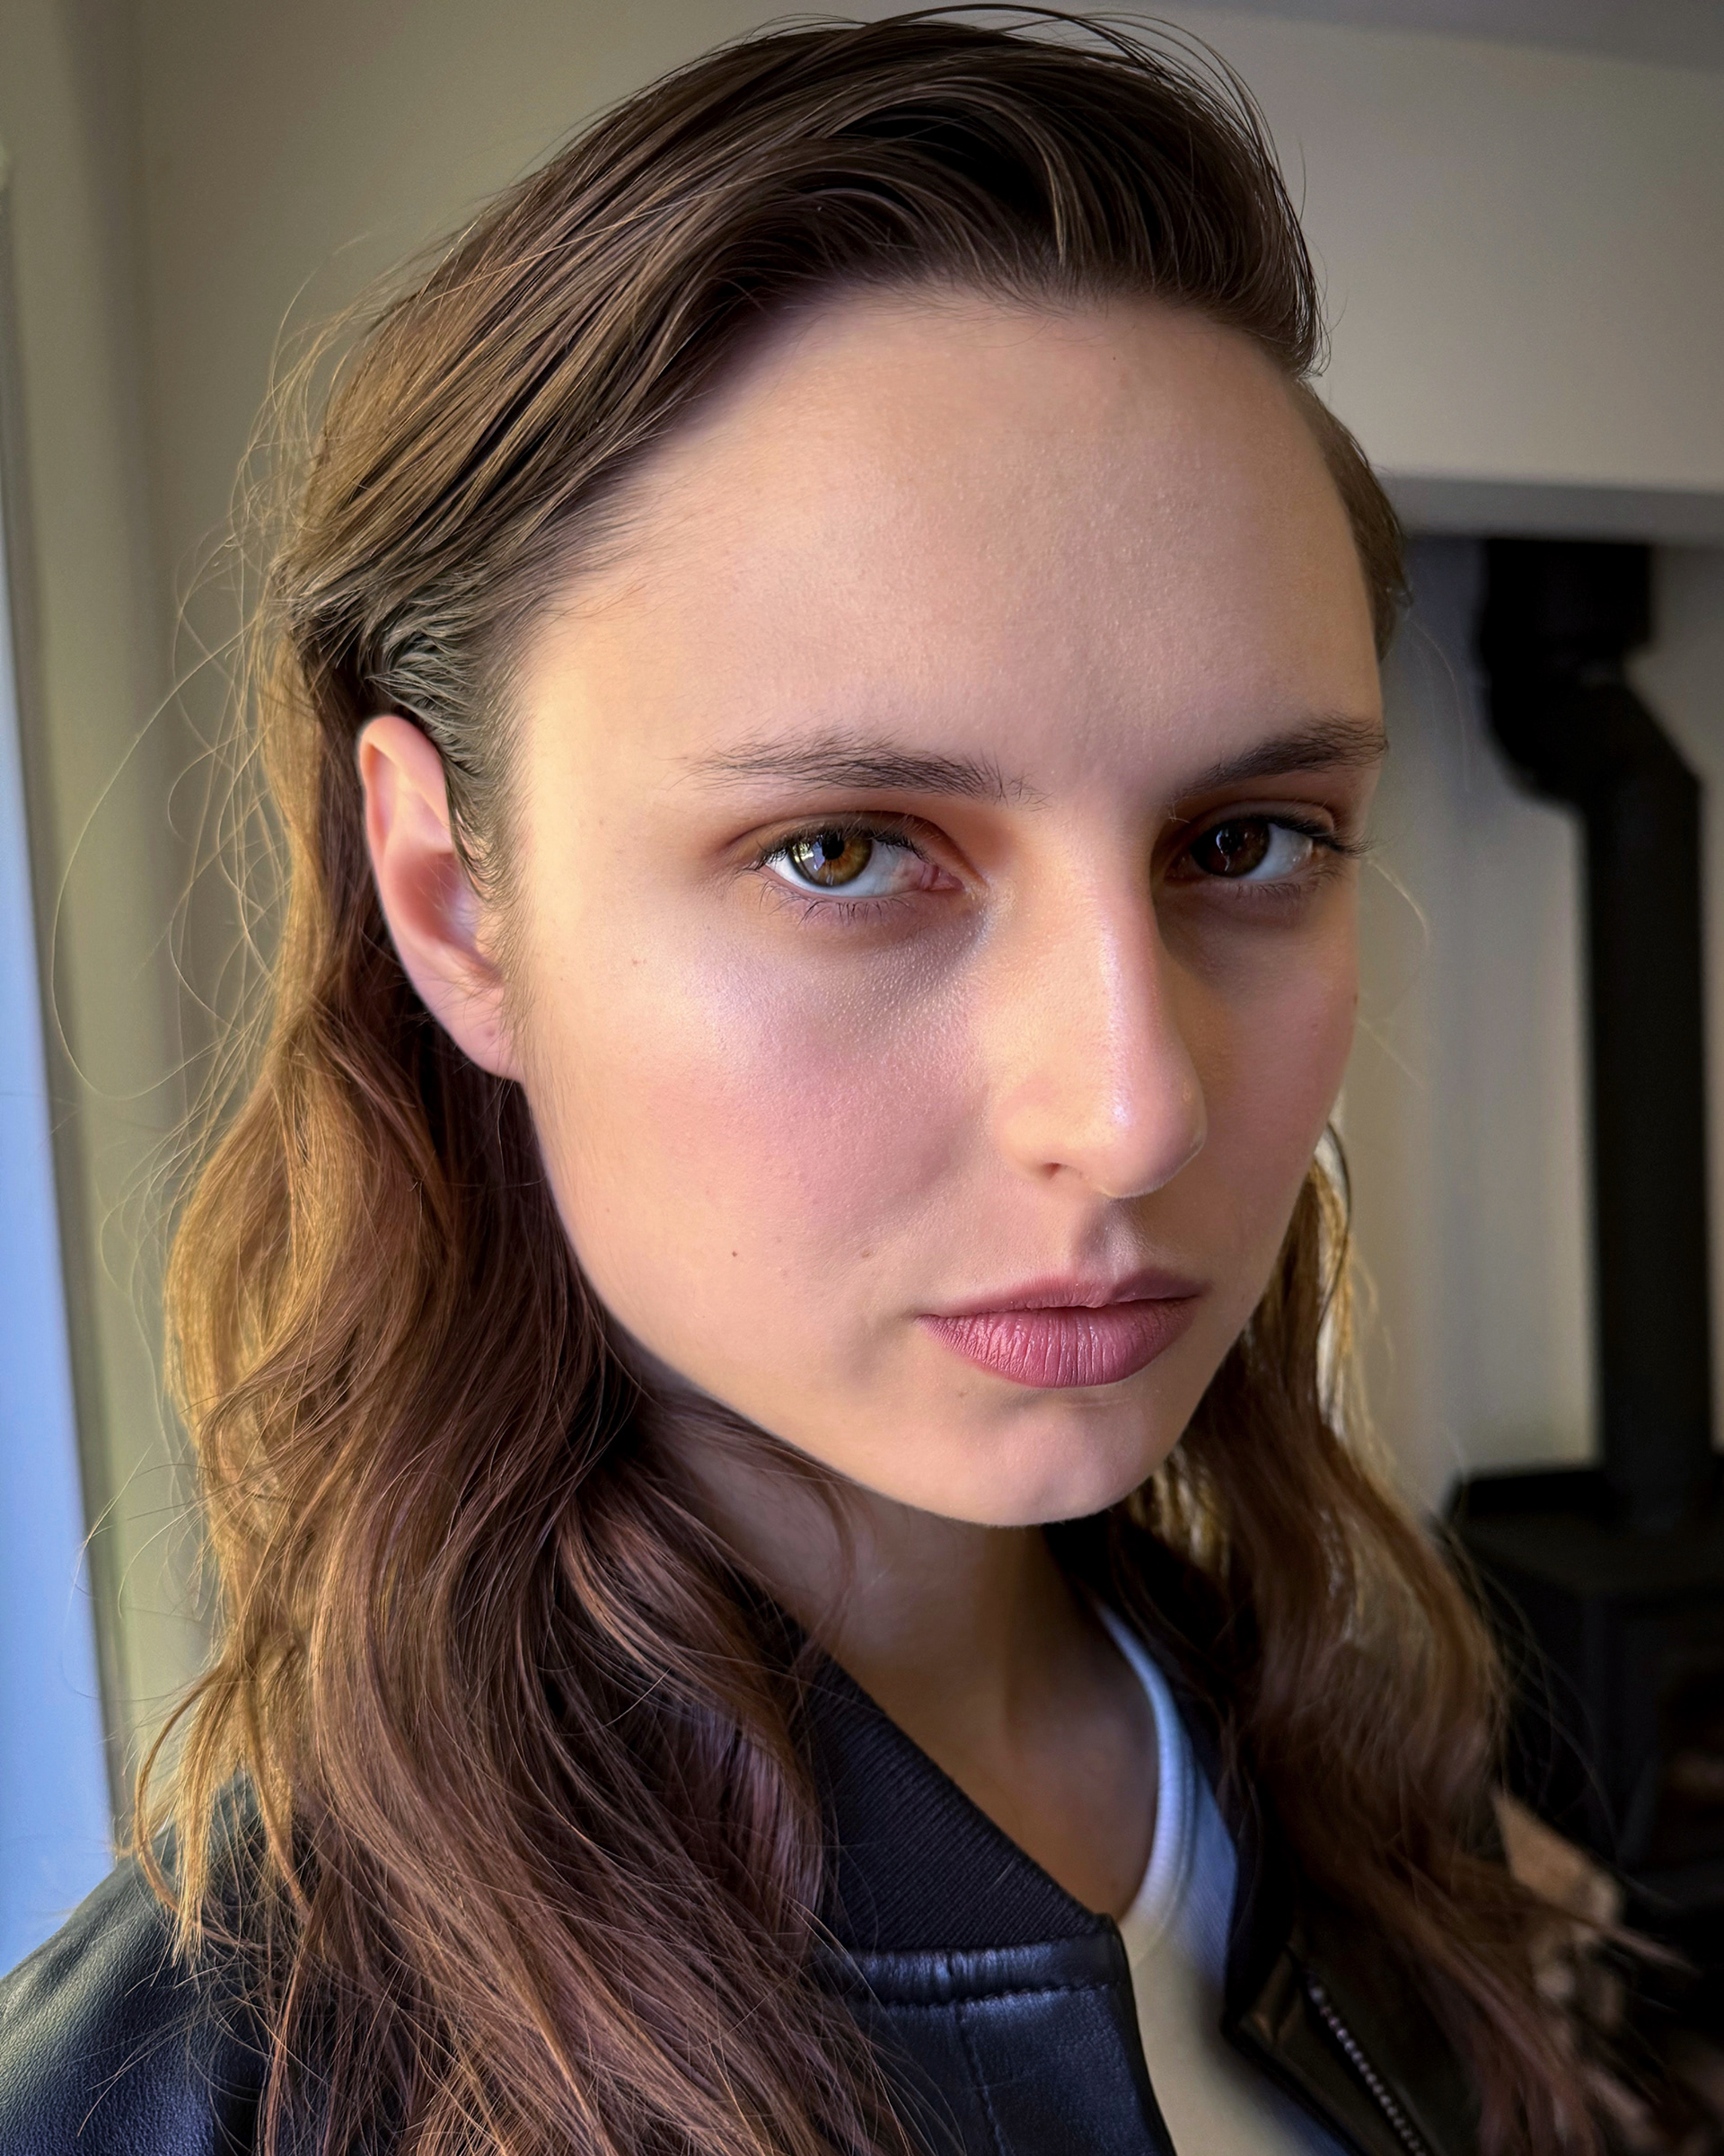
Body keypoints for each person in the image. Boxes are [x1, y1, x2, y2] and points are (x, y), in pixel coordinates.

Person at [0, 14, 1614, 2155]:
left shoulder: (1342, 1750)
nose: (1135, 1110)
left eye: (1246, 839)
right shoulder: (203, 2093)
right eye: (844, 851)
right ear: (454, 903)